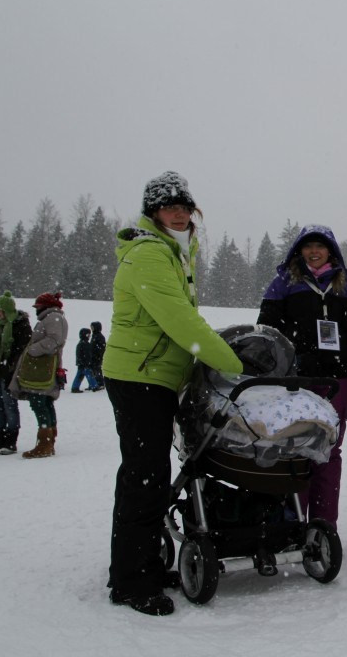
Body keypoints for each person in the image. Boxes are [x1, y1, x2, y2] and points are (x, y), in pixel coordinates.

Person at [103, 171, 243, 616]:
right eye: (168, 206)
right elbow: (179, 320)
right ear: (153, 213)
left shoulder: (175, 253)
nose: (178, 212)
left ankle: (140, 563)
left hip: (155, 377)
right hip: (138, 376)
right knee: (143, 476)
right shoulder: (149, 254)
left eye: (184, 205)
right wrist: (235, 363)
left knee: (149, 475)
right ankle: (130, 582)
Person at [257, 224, 347, 530]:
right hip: (297, 383)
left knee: (329, 452)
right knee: (295, 451)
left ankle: (323, 525)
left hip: (337, 382)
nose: (314, 252)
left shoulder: (343, 288)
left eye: (321, 246)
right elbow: (266, 333)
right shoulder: (284, 283)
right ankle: (293, 523)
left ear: (331, 251)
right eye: (308, 247)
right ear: (299, 251)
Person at [11, 291, 68, 459]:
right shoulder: (53, 318)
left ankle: (45, 444)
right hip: (44, 369)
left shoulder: (52, 318)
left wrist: (32, 350)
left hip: (42, 370)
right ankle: (48, 440)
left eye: (38, 306)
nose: (36, 309)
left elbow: (53, 341)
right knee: (45, 403)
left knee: (39, 403)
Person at [0, 291, 31, 455]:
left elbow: (22, 351)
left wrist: (10, 367)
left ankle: (11, 441)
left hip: (10, 374)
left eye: (0, 310)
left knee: (10, 406)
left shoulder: (21, 326)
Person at [71, 328, 98, 393]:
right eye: (88, 335)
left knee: (80, 375)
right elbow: (87, 355)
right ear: (84, 335)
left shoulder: (81, 343)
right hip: (85, 364)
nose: (89, 336)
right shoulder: (85, 344)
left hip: (81, 363)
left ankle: (75, 387)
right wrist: (89, 363)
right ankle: (94, 386)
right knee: (89, 375)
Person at [89, 321, 106, 391]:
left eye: (92, 327)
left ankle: (100, 384)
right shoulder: (94, 335)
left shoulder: (99, 336)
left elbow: (101, 348)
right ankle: (95, 383)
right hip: (94, 357)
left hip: (97, 357)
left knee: (97, 370)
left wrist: (99, 356)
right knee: (94, 370)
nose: (91, 329)